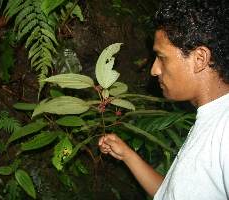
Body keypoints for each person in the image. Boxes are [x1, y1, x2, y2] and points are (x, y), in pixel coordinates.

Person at [98, 0, 229, 199]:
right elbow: (172, 194)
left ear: (199, 59)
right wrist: (127, 155)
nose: (154, 70)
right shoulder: (210, 118)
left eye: (161, 57)